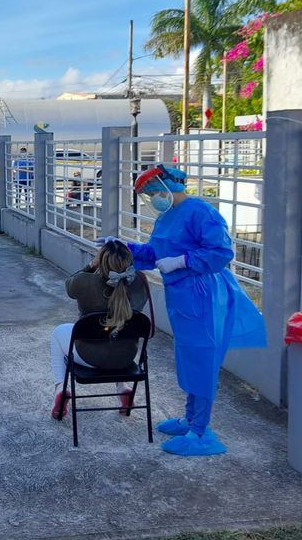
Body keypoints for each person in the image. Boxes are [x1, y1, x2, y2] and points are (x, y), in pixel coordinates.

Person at [113, 163, 266, 457]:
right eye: (149, 195)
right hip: (182, 298)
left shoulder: (201, 212)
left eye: (154, 192)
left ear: (169, 186)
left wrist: (182, 261)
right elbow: (155, 254)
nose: (154, 199)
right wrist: (123, 248)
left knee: (203, 360)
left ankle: (201, 432)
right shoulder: (167, 216)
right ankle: (190, 419)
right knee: (189, 359)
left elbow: (220, 252)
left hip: (202, 295)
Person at [50, 240, 149, 420]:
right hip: (125, 357)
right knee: (117, 334)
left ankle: (61, 389)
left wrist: (92, 264)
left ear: (101, 260)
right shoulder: (140, 283)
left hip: (89, 356)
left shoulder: (85, 282)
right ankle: (123, 388)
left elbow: (69, 285)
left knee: (58, 333)